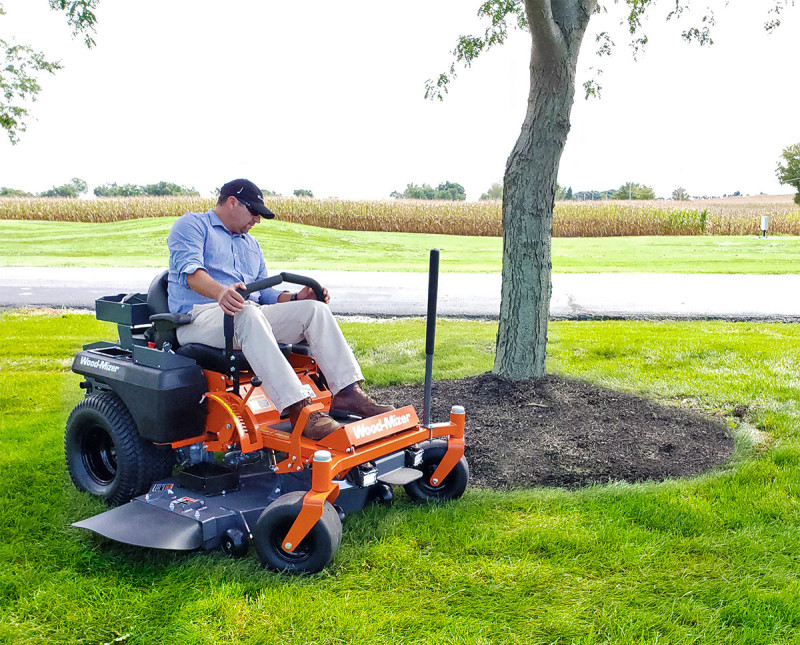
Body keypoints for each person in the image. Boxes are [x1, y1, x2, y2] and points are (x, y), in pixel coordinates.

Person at [167, 178, 394, 440]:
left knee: (313, 310)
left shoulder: (250, 245)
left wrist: (297, 296)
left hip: (245, 315)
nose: (257, 220)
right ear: (232, 202)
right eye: (253, 212)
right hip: (197, 318)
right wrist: (221, 292)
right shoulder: (193, 225)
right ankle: (299, 408)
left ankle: (346, 393)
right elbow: (192, 275)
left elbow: (264, 294)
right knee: (246, 312)